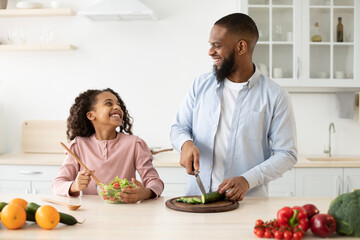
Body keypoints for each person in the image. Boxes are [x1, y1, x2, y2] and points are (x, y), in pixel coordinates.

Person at [170, 13, 297, 201]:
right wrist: (185, 143)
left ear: (241, 47)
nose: (210, 52)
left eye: (217, 45)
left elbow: (286, 154)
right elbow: (179, 127)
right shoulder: (200, 85)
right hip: (197, 201)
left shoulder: (275, 95)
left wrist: (247, 180)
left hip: (247, 205)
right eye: (210, 45)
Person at [52, 88, 164, 203]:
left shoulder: (135, 144)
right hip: (90, 212)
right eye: (109, 103)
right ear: (91, 115)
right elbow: (57, 184)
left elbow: (155, 182)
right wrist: (75, 186)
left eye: (119, 105)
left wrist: (145, 193)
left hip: (125, 211)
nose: (117, 107)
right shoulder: (79, 145)